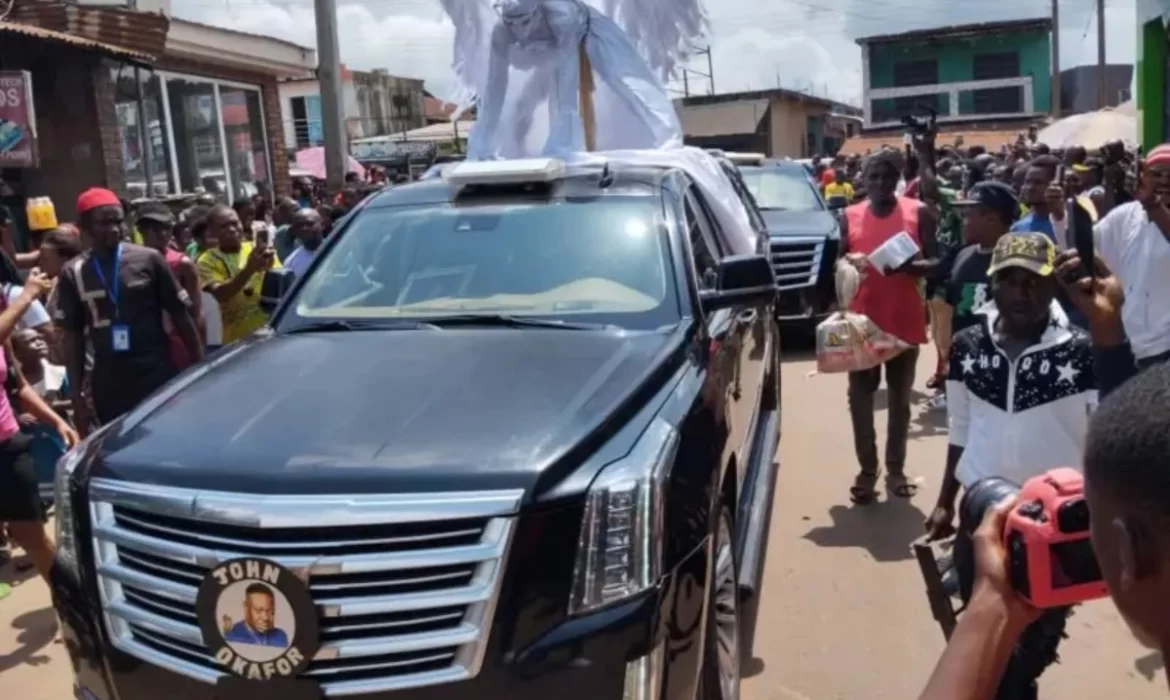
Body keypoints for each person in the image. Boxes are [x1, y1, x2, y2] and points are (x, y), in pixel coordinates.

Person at [916, 249, 1146, 700]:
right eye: (1009, 280)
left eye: (1034, 281)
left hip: (1053, 529)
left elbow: (1115, 423)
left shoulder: (1082, 352)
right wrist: (946, 499)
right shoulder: (967, 345)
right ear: (993, 283)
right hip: (979, 518)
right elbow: (961, 427)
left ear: (1053, 285)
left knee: (1025, 658)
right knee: (983, 636)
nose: (1021, 292)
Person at [55, 188, 203, 434]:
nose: (114, 229)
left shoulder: (149, 260)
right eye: (104, 223)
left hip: (155, 372)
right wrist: (76, 397)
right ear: (85, 225)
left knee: (166, 436)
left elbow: (182, 317)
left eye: (118, 221)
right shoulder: (74, 272)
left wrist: (199, 370)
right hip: (110, 380)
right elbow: (73, 337)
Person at [841, 149, 939, 503]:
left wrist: (912, 267)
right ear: (864, 180)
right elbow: (838, 263)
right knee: (860, 401)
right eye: (873, 177)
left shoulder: (918, 212)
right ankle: (868, 470)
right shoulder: (849, 216)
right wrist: (847, 264)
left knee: (899, 401)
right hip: (862, 324)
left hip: (903, 320)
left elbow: (939, 259)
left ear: (897, 179)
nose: (880, 183)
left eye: (887, 176)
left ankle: (895, 468)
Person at [1051, 144, 1170, 370]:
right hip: (1129, 345)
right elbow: (1084, 253)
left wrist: (1153, 205)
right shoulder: (1125, 215)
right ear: (1143, 175)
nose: (1164, 180)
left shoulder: (1150, 206)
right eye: (1156, 174)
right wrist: (1063, 213)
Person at [0, 271, 78, 584]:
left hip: (6, 445)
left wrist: (56, 420)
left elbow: (18, 387)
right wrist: (26, 296)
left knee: (33, 538)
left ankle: (72, 609)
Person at [197, 204, 280, 345]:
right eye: (223, 226)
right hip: (238, 341)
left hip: (270, 332)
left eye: (234, 223)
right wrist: (249, 270)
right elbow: (221, 295)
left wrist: (270, 263)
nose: (231, 229)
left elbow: (279, 281)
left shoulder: (256, 248)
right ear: (212, 232)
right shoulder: (206, 261)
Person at [943, 182, 1018, 336]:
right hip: (964, 351)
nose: (963, 223)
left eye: (967, 216)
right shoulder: (963, 254)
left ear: (991, 220)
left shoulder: (1014, 263)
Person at [136, 202, 205, 370]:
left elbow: (196, 312)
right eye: (155, 229)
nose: (163, 234)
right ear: (141, 231)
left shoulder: (182, 264)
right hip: (145, 348)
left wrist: (199, 355)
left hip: (178, 346)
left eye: (166, 228)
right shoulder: (132, 262)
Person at [223, 583, 289, 647]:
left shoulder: (280, 637)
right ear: (246, 607)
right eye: (259, 611)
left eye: (269, 611)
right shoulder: (232, 635)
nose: (265, 617)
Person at [283, 208, 325, 277]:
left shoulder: (336, 250)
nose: (304, 228)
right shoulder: (290, 263)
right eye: (299, 225)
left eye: (309, 223)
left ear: (322, 225)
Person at [270, 196, 300, 263]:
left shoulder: (298, 232)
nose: (300, 213)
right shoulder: (283, 231)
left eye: (299, 209)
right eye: (295, 210)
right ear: (285, 213)